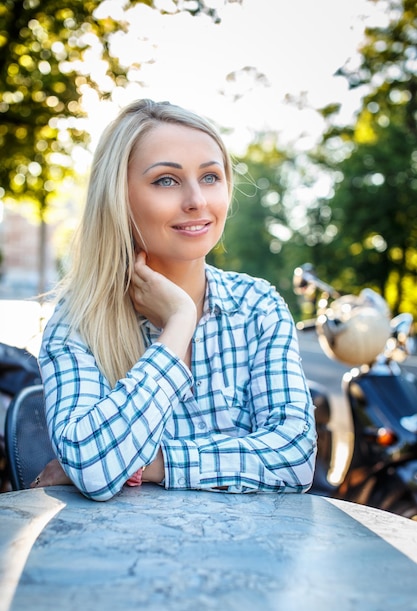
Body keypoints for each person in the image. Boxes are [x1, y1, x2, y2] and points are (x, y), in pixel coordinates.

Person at [31, 98, 317, 501]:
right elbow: (91, 465)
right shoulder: (80, 320)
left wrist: (151, 465)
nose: (197, 200)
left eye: (211, 177)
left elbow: (294, 457)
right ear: (119, 198)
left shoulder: (258, 306)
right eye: (166, 180)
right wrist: (180, 321)